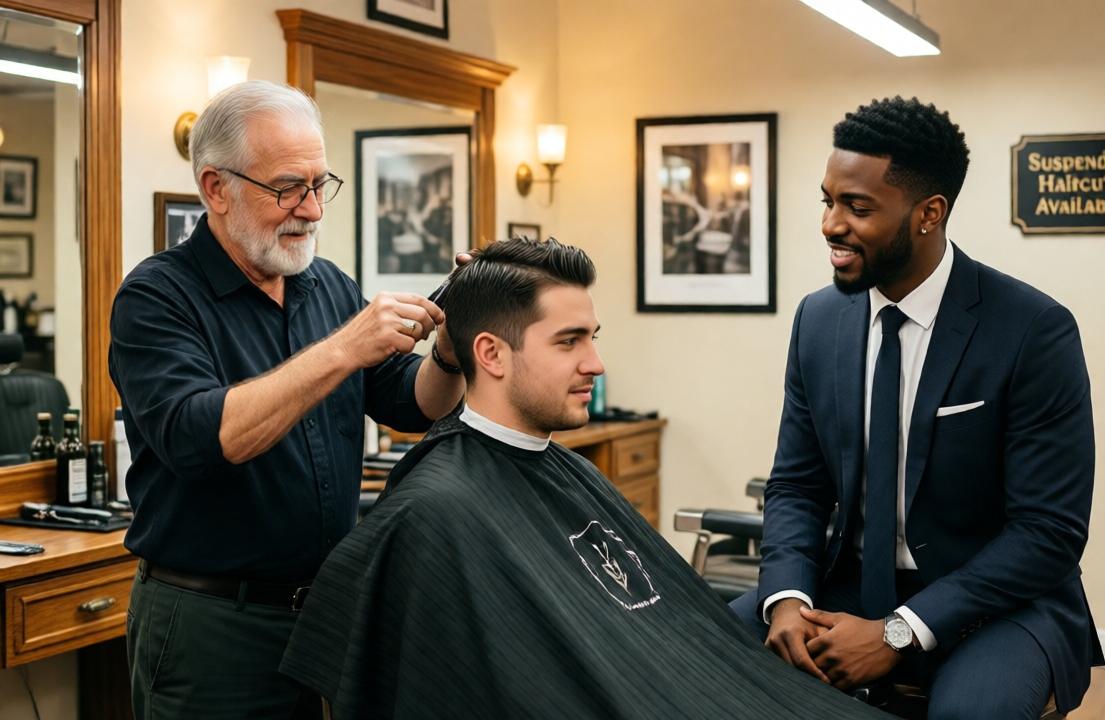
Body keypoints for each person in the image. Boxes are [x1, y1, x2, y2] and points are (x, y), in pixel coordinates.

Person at [279, 238, 891, 720]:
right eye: (569, 342)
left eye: (591, 339)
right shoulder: (435, 510)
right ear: (490, 354)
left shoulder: (561, 468)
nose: (595, 363)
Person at [730, 97, 1104, 719]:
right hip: (843, 581)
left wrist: (898, 631)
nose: (830, 224)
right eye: (827, 201)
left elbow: (1048, 533)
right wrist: (788, 597)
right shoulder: (817, 321)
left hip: (997, 603)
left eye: (857, 207)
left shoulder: (1033, 329)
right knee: (693, 663)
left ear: (929, 213)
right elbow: (797, 484)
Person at [109, 80, 465, 719]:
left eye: (320, 185)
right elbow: (201, 439)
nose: (312, 210)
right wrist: (343, 349)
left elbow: (413, 404)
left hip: (324, 611)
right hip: (213, 622)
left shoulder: (324, 284)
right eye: (287, 189)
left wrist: (451, 349)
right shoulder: (157, 297)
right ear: (216, 189)